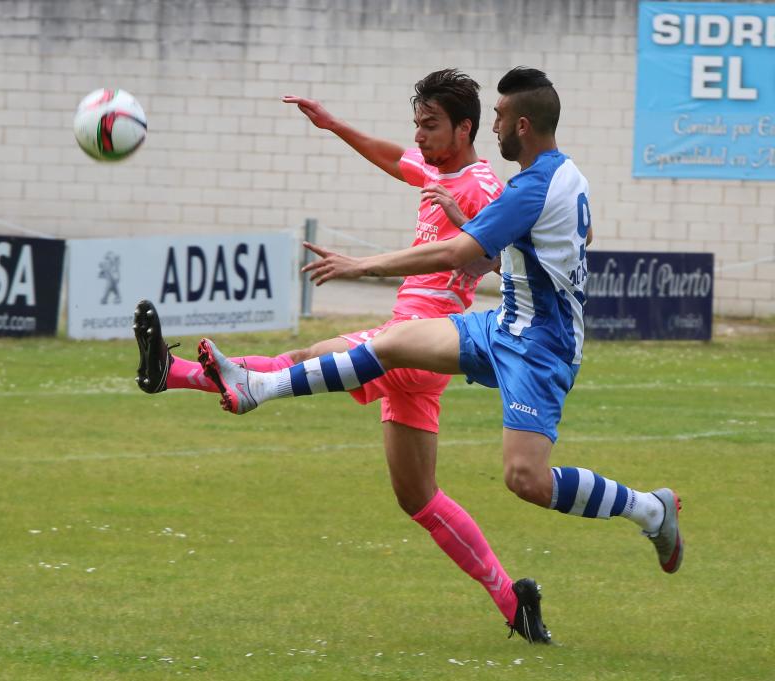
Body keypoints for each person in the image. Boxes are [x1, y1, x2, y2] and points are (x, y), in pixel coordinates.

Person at [198, 67, 685, 604]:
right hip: (500, 325)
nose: (491, 124)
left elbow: (458, 254)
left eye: (498, 116)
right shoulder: (564, 174)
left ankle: (649, 509)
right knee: (385, 345)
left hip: (540, 347)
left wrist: (363, 266)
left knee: (526, 479)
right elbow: (582, 231)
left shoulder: (526, 188)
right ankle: (257, 389)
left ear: (520, 125)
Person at [134, 69, 552, 644]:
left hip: (419, 343)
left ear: (465, 128)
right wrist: (333, 126)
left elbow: (508, 270)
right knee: (419, 497)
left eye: (431, 126)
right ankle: (514, 601)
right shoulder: (437, 168)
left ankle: (174, 374)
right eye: (418, 125)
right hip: (413, 350)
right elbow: (393, 158)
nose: (420, 137)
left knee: (315, 354)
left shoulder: (483, 188)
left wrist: (461, 228)